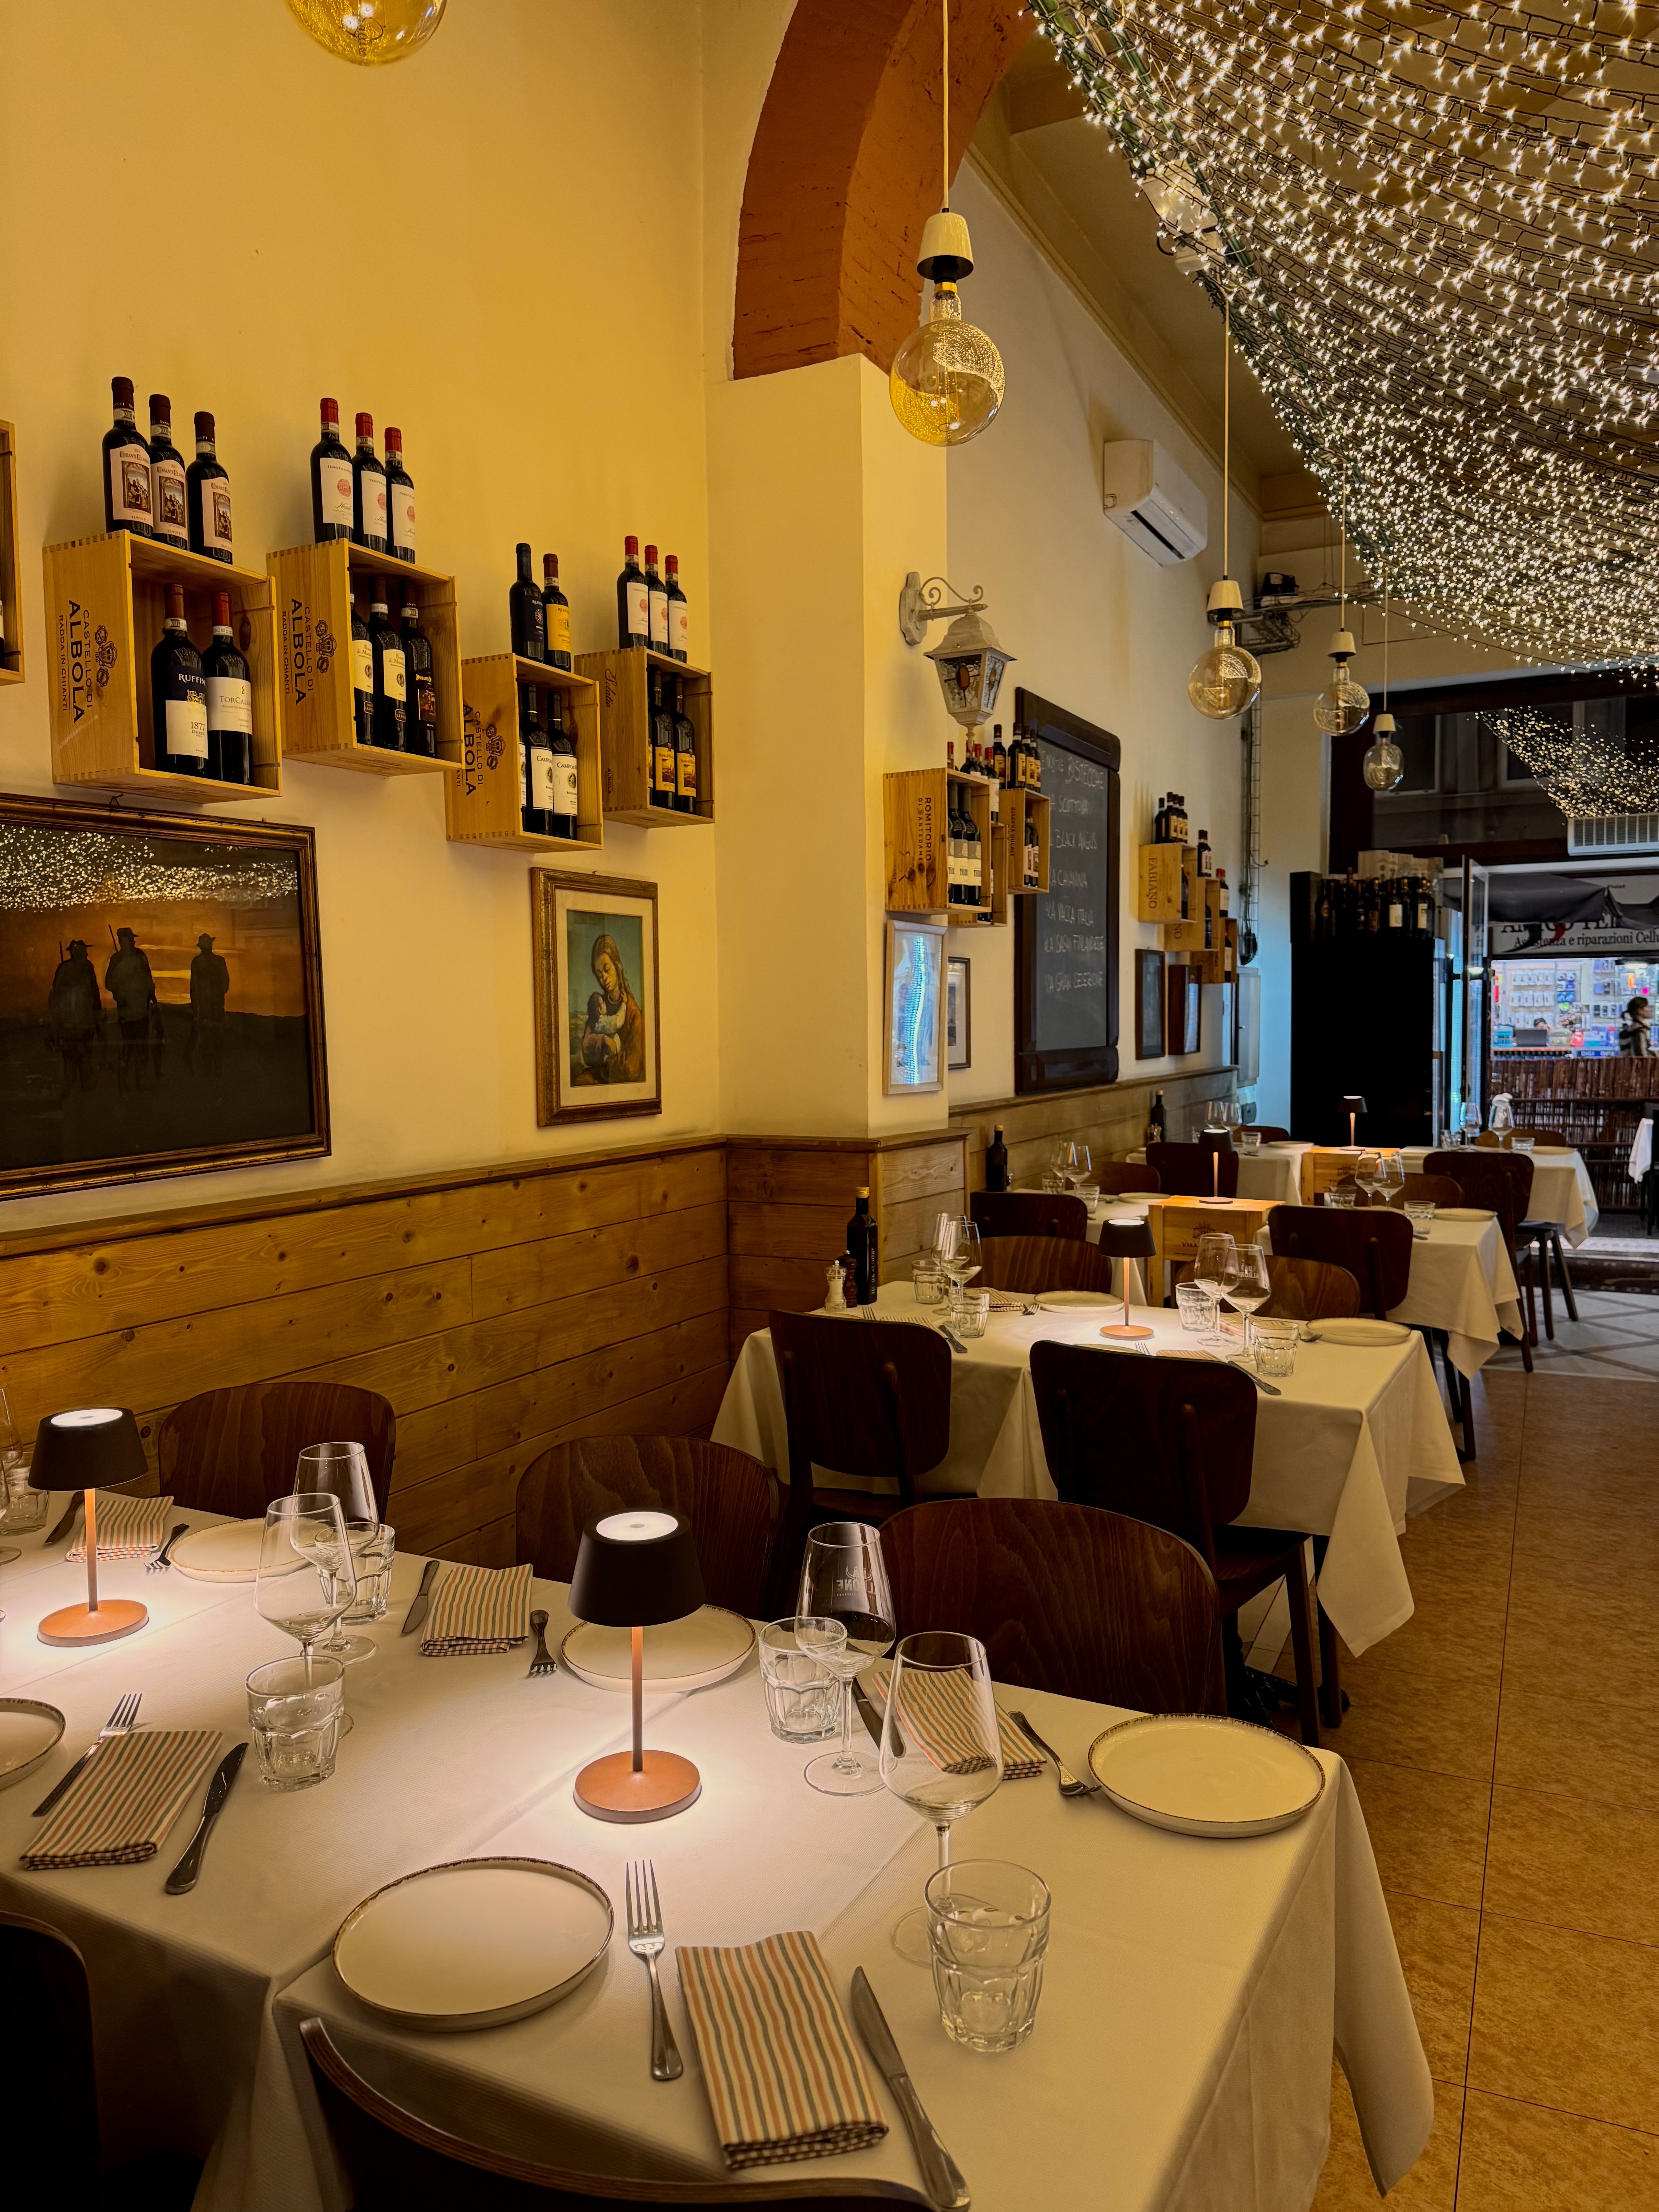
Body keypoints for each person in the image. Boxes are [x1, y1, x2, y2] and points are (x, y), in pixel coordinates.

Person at [578, 933, 645, 1083]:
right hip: (600, 1076)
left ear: (617, 966)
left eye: (607, 970)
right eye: (599, 974)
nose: (604, 979)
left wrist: (606, 1062)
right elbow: (586, 1049)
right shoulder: (599, 1006)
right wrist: (603, 1041)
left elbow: (631, 1068)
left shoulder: (633, 1012)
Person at [104, 926, 157, 1092]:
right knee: (128, 1046)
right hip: (127, 1011)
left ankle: (140, 1082)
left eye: (133, 939)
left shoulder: (141, 956)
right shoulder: (116, 960)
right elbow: (109, 984)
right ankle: (124, 1083)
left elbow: (148, 978)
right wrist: (123, 985)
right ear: (122, 941)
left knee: (142, 1046)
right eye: (130, 939)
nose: (133, 941)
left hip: (142, 1008)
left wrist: (153, 997)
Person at [46, 938, 102, 1096]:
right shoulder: (83, 967)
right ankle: (82, 1084)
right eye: (84, 951)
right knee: (81, 1052)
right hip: (79, 1020)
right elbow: (93, 991)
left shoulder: (67, 968)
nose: (86, 954)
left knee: (73, 1054)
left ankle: (72, 1086)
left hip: (74, 1020)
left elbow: (56, 994)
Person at [188, 932, 231, 1077]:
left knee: (207, 1040)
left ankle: (209, 1070)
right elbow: (226, 983)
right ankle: (217, 1070)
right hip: (216, 1006)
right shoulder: (219, 961)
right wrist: (218, 995)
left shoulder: (197, 962)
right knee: (217, 1039)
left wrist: (196, 1007)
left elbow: (194, 987)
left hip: (205, 1007)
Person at [1620, 994, 1654, 1058]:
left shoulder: (1627, 1030)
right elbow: (1643, 1055)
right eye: (1647, 1007)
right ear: (1640, 1011)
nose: (1650, 1009)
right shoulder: (1640, 1031)